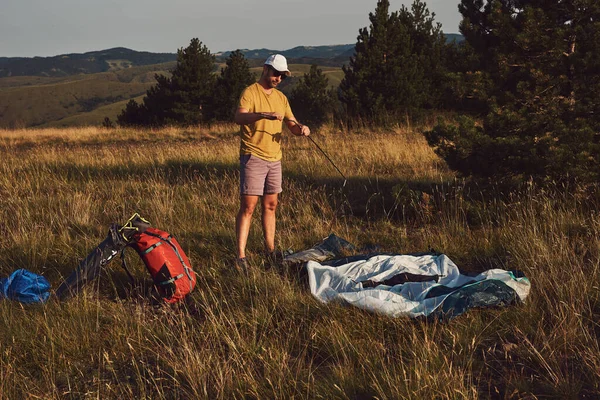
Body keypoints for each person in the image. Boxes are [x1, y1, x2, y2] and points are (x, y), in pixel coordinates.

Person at [233, 54, 310, 269]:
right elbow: (239, 117)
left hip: (275, 158)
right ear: (266, 69)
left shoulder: (281, 98)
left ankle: (270, 251)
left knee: (271, 205)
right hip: (253, 155)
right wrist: (262, 115)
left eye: (282, 76)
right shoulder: (250, 92)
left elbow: (292, 125)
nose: (278, 78)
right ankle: (240, 257)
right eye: (276, 73)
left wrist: (301, 129)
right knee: (249, 206)